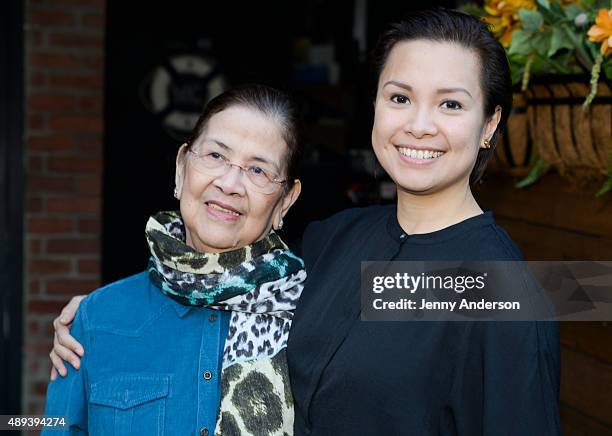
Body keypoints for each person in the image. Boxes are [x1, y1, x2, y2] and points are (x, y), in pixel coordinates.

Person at [49, 9, 561, 435]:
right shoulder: (335, 240)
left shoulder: (500, 287)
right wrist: (100, 313)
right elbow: (230, 278)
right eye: (399, 98)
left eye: (450, 103)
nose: (419, 125)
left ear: (489, 123)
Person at [43, 84, 304, 436]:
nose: (230, 183)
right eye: (215, 156)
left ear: (284, 202)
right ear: (182, 168)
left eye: (258, 170)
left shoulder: (316, 316)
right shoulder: (96, 318)